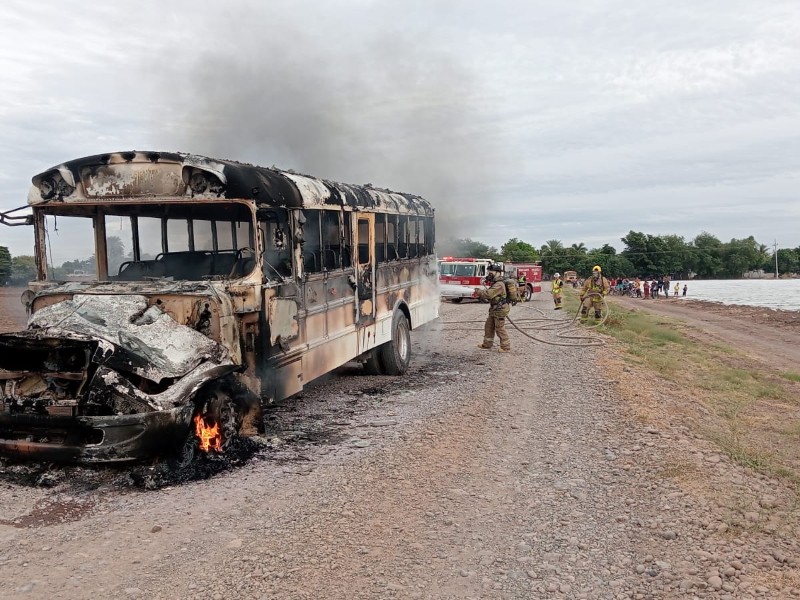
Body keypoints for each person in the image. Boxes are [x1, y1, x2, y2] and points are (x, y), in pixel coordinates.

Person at [475, 263, 511, 353]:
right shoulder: (495, 283)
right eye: (489, 271)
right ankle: (487, 344)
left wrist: (478, 291)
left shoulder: (499, 284)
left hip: (500, 309)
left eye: (491, 271)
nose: (489, 273)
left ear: (498, 272)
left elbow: (488, 294)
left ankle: (505, 347)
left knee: (499, 328)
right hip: (494, 308)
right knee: (489, 326)